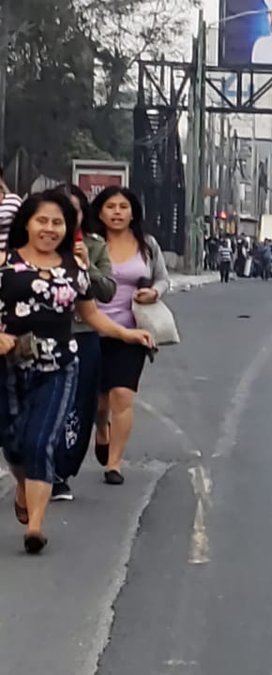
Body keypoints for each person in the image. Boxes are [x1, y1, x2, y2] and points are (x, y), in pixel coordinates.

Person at [2, 191, 154, 553]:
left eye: (57, 222)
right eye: (42, 221)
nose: (49, 229)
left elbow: (91, 315)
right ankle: (22, 485)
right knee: (13, 441)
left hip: (59, 365)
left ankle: (35, 526)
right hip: (8, 367)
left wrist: (127, 334)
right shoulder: (6, 262)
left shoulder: (75, 268)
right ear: (27, 224)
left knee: (41, 441)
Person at [91, 186, 170, 486]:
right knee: (99, 402)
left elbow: (163, 279)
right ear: (100, 212)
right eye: (110, 207)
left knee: (122, 396)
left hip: (132, 333)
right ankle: (102, 429)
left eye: (123, 207)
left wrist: (155, 292)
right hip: (92, 329)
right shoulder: (91, 244)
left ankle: (115, 463)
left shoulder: (147, 245)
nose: (117, 212)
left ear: (133, 212)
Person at [50, 184, 118, 503]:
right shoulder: (33, 244)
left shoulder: (94, 245)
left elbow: (107, 292)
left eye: (72, 211)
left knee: (79, 404)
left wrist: (86, 263)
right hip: (42, 335)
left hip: (83, 334)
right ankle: (37, 466)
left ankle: (61, 472)